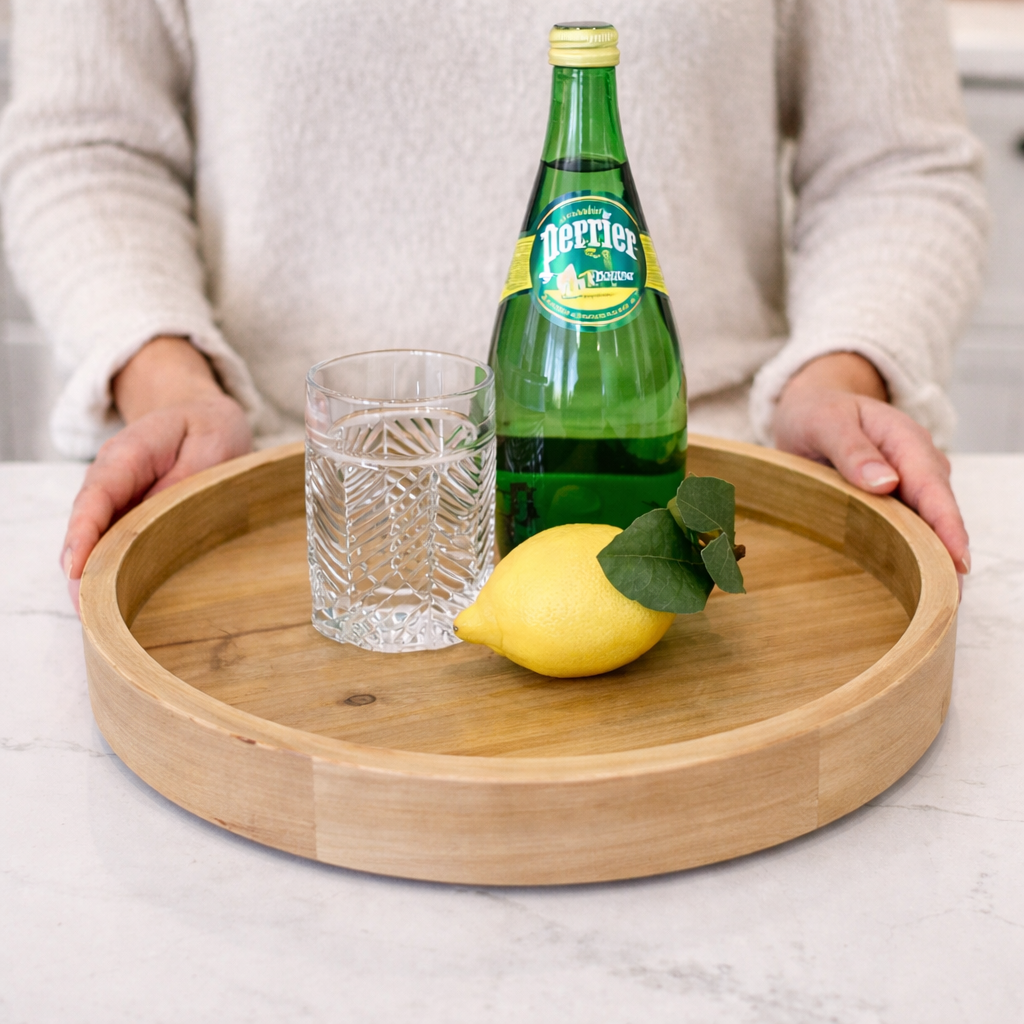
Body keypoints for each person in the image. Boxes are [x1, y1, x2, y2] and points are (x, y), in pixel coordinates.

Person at [0, 1, 986, 611]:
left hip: (690, 516)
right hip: (281, 515)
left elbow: (892, 158)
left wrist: (839, 364)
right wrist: (166, 372)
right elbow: (89, 143)